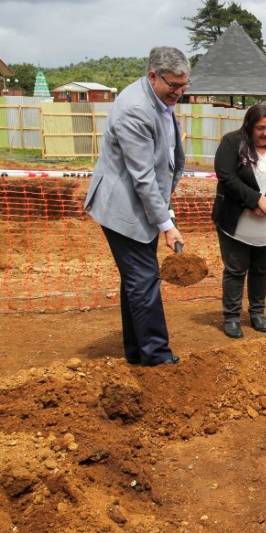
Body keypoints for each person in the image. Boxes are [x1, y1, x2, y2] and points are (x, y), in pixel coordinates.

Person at [82, 46, 189, 367]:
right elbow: (143, 177)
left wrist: (164, 214)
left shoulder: (159, 99)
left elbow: (161, 165)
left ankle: (137, 351)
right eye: (173, 86)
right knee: (143, 279)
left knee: (137, 279)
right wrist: (167, 225)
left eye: (184, 85)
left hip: (141, 203)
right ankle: (156, 358)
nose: (180, 93)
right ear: (153, 76)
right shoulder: (135, 109)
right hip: (123, 208)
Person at [213, 105, 266, 338]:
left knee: (261, 268)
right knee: (236, 269)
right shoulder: (231, 142)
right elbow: (225, 175)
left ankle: (257, 313)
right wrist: (256, 200)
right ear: (249, 126)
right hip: (236, 218)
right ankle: (231, 316)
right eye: (260, 128)